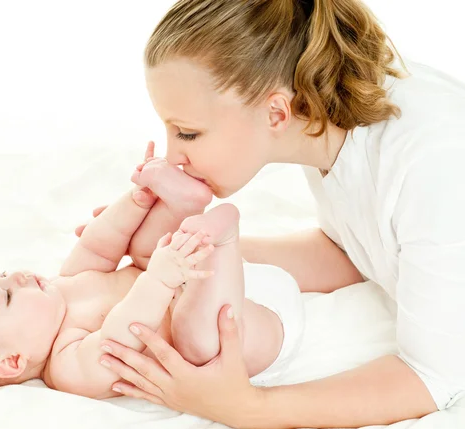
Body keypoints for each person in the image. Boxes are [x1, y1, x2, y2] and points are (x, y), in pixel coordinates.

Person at [77, 0, 465, 427]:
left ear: (276, 112)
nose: (175, 156)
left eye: (188, 132)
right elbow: (354, 249)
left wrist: (246, 408)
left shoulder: (434, 163)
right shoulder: (329, 119)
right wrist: (185, 253)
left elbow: (432, 378)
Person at [0, 153, 304, 399]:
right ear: (13, 361)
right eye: (7, 296)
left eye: (3, 274)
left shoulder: (64, 287)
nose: (18, 277)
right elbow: (121, 334)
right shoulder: (69, 368)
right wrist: (162, 280)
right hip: (252, 329)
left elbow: (101, 244)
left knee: (140, 250)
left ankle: (181, 201)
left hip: (211, 281)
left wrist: (136, 201)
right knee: (197, 342)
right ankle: (224, 237)